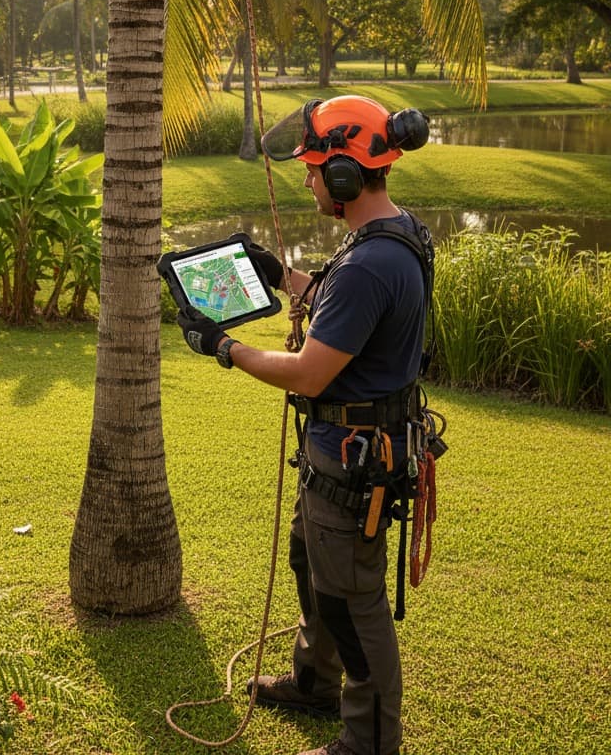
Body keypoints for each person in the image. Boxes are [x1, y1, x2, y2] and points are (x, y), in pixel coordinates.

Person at [176, 95, 433, 755]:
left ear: (346, 174)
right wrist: (284, 277)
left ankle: (368, 742)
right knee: (309, 563)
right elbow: (347, 310)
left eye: (315, 169)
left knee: (351, 603)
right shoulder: (394, 236)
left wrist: (224, 349)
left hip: (352, 460)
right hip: (343, 455)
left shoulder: (371, 262)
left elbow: (309, 374)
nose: (307, 179)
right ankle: (312, 682)